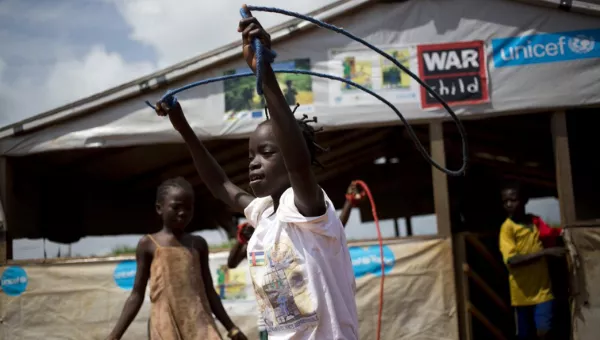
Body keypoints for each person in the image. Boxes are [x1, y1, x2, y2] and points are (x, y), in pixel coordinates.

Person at [154, 7, 359, 339]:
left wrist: (265, 75)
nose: (253, 162)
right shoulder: (264, 215)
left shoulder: (306, 207)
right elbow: (222, 185)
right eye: (251, 155)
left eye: (266, 153)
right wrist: (183, 127)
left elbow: (297, 163)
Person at [107, 177, 247, 340]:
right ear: (159, 208)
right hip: (165, 324)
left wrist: (232, 328)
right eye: (176, 207)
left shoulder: (198, 244)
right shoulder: (148, 244)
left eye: (188, 208)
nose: (183, 213)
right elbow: (136, 295)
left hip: (200, 324)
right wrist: (115, 335)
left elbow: (209, 291)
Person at [227, 183, 365, 340]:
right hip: (273, 328)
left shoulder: (296, 237)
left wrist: (348, 204)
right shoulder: (258, 248)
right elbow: (231, 263)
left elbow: (328, 232)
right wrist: (241, 239)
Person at [498, 181, 565, 340]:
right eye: (505, 201)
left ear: (524, 200)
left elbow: (550, 235)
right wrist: (545, 253)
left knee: (544, 330)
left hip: (543, 291)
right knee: (525, 335)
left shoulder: (535, 222)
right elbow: (512, 260)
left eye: (513, 200)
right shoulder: (507, 228)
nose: (509, 204)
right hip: (521, 295)